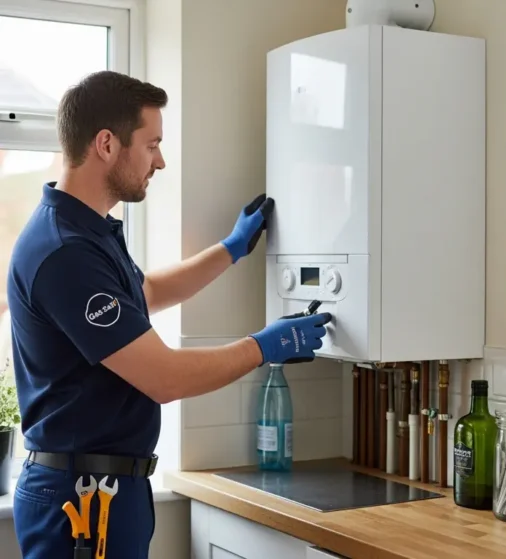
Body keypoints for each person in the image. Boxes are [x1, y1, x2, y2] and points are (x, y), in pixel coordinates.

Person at [5, 70, 331, 558]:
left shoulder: (87, 232)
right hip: (83, 499)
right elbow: (164, 378)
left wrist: (231, 249)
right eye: (152, 144)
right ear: (107, 144)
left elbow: (147, 292)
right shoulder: (65, 252)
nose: (160, 160)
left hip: (106, 488)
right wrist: (265, 346)